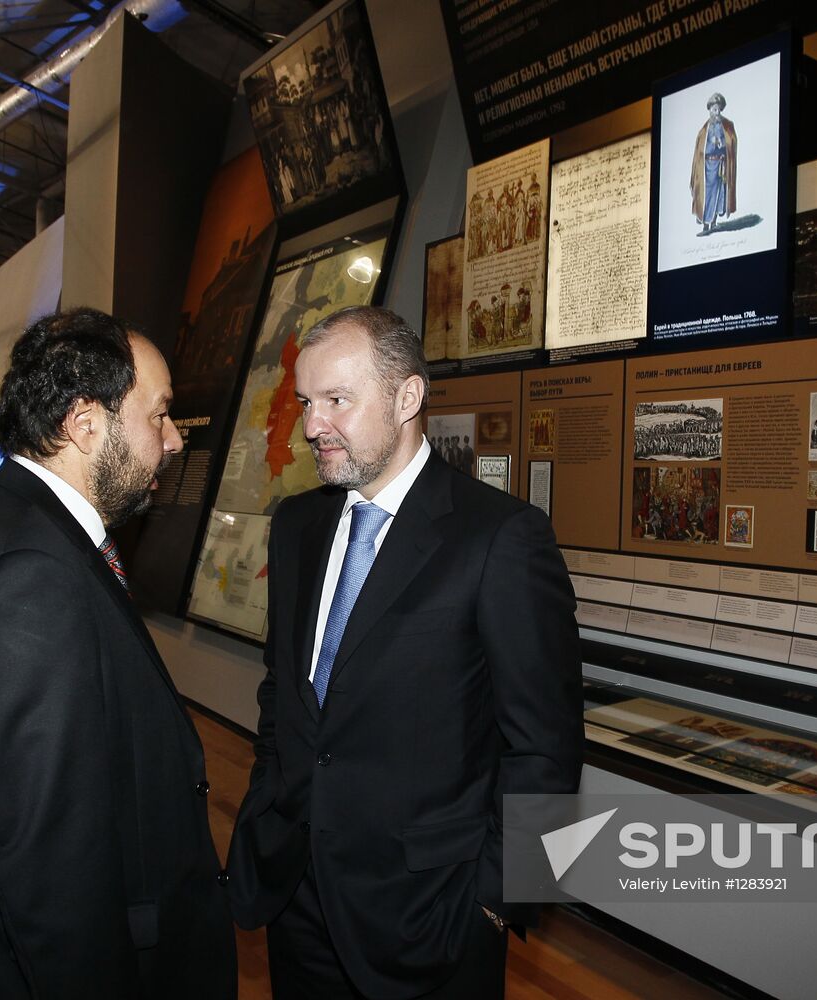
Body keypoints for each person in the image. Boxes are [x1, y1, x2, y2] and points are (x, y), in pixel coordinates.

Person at [226, 306, 583, 999]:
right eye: (306, 401)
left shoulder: (500, 539)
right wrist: (272, 798)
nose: (312, 425)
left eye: (337, 400)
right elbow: (285, 694)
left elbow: (547, 748)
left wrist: (495, 901)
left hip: (431, 917)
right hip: (295, 894)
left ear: (407, 396)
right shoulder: (297, 526)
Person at [0, 308, 236, 998]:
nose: (172, 441)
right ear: (85, 425)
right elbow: (48, 869)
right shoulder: (32, 579)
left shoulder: (14, 525)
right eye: (160, 415)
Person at [690, 92, 737, 235]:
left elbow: (731, 144)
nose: (715, 112)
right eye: (713, 109)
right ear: (709, 109)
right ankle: (705, 224)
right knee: (708, 194)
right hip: (707, 168)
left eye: (717, 109)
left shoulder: (726, 126)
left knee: (719, 194)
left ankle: (714, 222)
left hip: (721, 166)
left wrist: (722, 143)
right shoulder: (704, 130)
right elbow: (700, 151)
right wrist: (711, 144)